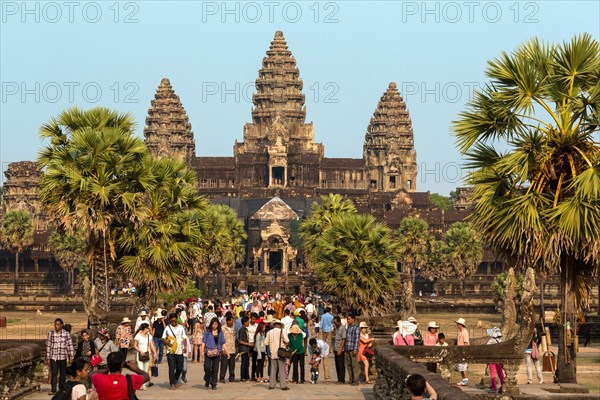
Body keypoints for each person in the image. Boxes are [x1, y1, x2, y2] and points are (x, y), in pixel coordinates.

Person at [46, 318, 74, 395]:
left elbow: (69, 345)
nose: (56, 326)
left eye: (58, 324)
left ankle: (61, 389)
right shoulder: (51, 333)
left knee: (63, 373)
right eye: (55, 324)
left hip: (62, 357)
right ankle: (53, 389)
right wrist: (48, 357)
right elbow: (48, 346)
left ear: (61, 325)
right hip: (53, 357)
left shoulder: (66, 334)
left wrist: (71, 356)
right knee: (54, 373)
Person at [162, 312, 187, 390]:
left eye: (175, 320)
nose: (173, 322)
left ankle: (176, 378)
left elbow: (184, 338)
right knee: (171, 367)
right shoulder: (167, 328)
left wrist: (185, 347)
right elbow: (163, 338)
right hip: (170, 351)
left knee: (180, 367)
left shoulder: (181, 328)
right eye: (172, 321)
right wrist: (167, 343)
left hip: (179, 350)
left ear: (177, 319)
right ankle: (172, 383)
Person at [201, 317, 227, 390]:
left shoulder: (220, 332)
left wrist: (227, 352)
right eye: (213, 324)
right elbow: (203, 342)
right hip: (208, 352)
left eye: (216, 324)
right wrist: (202, 351)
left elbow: (223, 343)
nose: (214, 326)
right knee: (207, 367)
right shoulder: (207, 331)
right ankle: (207, 379)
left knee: (215, 369)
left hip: (217, 353)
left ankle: (214, 384)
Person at [264, 319, 289, 391]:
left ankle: (271, 385)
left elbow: (265, 342)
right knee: (282, 370)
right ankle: (283, 386)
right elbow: (287, 340)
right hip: (281, 353)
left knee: (273, 370)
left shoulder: (269, 332)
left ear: (274, 325)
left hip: (272, 353)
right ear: (280, 325)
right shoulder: (282, 331)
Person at [133, 323, 157, 390]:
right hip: (140, 355)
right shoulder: (138, 336)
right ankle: (141, 385)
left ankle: (143, 384)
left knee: (146, 370)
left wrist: (155, 353)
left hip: (147, 354)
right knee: (141, 370)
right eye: (147, 328)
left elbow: (152, 345)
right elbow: (134, 345)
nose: (149, 329)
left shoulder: (149, 336)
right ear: (144, 329)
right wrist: (140, 350)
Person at [486, 327, 505, 393]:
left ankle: (494, 387)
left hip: (492, 358)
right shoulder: (500, 340)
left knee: (493, 373)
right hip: (499, 358)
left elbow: (487, 347)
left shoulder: (491, 340)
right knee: (500, 372)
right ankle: (503, 385)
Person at [344, 313, 360, 386]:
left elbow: (357, 339)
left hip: (353, 348)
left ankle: (356, 380)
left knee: (354, 365)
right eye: (347, 319)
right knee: (349, 365)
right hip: (348, 348)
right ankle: (351, 379)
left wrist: (355, 349)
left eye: (349, 319)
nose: (348, 320)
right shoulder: (348, 327)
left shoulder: (356, 327)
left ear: (353, 319)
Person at [220, 315, 236, 382]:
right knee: (224, 364)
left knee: (232, 365)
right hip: (225, 349)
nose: (233, 322)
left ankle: (231, 377)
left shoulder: (233, 328)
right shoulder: (223, 328)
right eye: (231, 321)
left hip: (232, 349)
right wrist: (222, 349)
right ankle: (222, 377)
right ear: (228, 321)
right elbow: (220, 340)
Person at [319, 307, 334, 382]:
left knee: (324, 342)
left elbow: (321, 325)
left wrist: (320, 330)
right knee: (329, 342)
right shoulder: (332, 316)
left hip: (324, 331)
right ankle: (329, 349)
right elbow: (332, 324)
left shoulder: (323, 316)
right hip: (329, 331)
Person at [456, 318, 470, 386]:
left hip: (463, 351)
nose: (457, 325)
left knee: (464, 367)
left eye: (458, 324)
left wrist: (464, 352)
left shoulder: (465, 332)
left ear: (461, 325)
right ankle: (463, 380)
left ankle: (465, 380)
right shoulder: (460, 332)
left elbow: (466, 343)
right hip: (460, 351)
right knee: (461, 367)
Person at [237, 316, 252, 382]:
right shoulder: (242, 329)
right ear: (245, 322)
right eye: (248, 322)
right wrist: (248, 344)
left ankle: (246, 376)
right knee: (244, 363)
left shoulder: (245, 329)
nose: (249, 323)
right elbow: (239, 340)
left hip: (246, 349)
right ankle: (243, 376)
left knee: (247, 363)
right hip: (243, 349)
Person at [332, 316, 346, 384]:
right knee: (337, 364)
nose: (335, 324)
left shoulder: (342, 328)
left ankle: (342, 379)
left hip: (340, 349)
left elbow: (343, 339)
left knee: (341, 365)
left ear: (339, 321)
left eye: (335, 323)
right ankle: (339, 378)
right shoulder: (336, 328)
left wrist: (340, 349)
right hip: (335, 347)